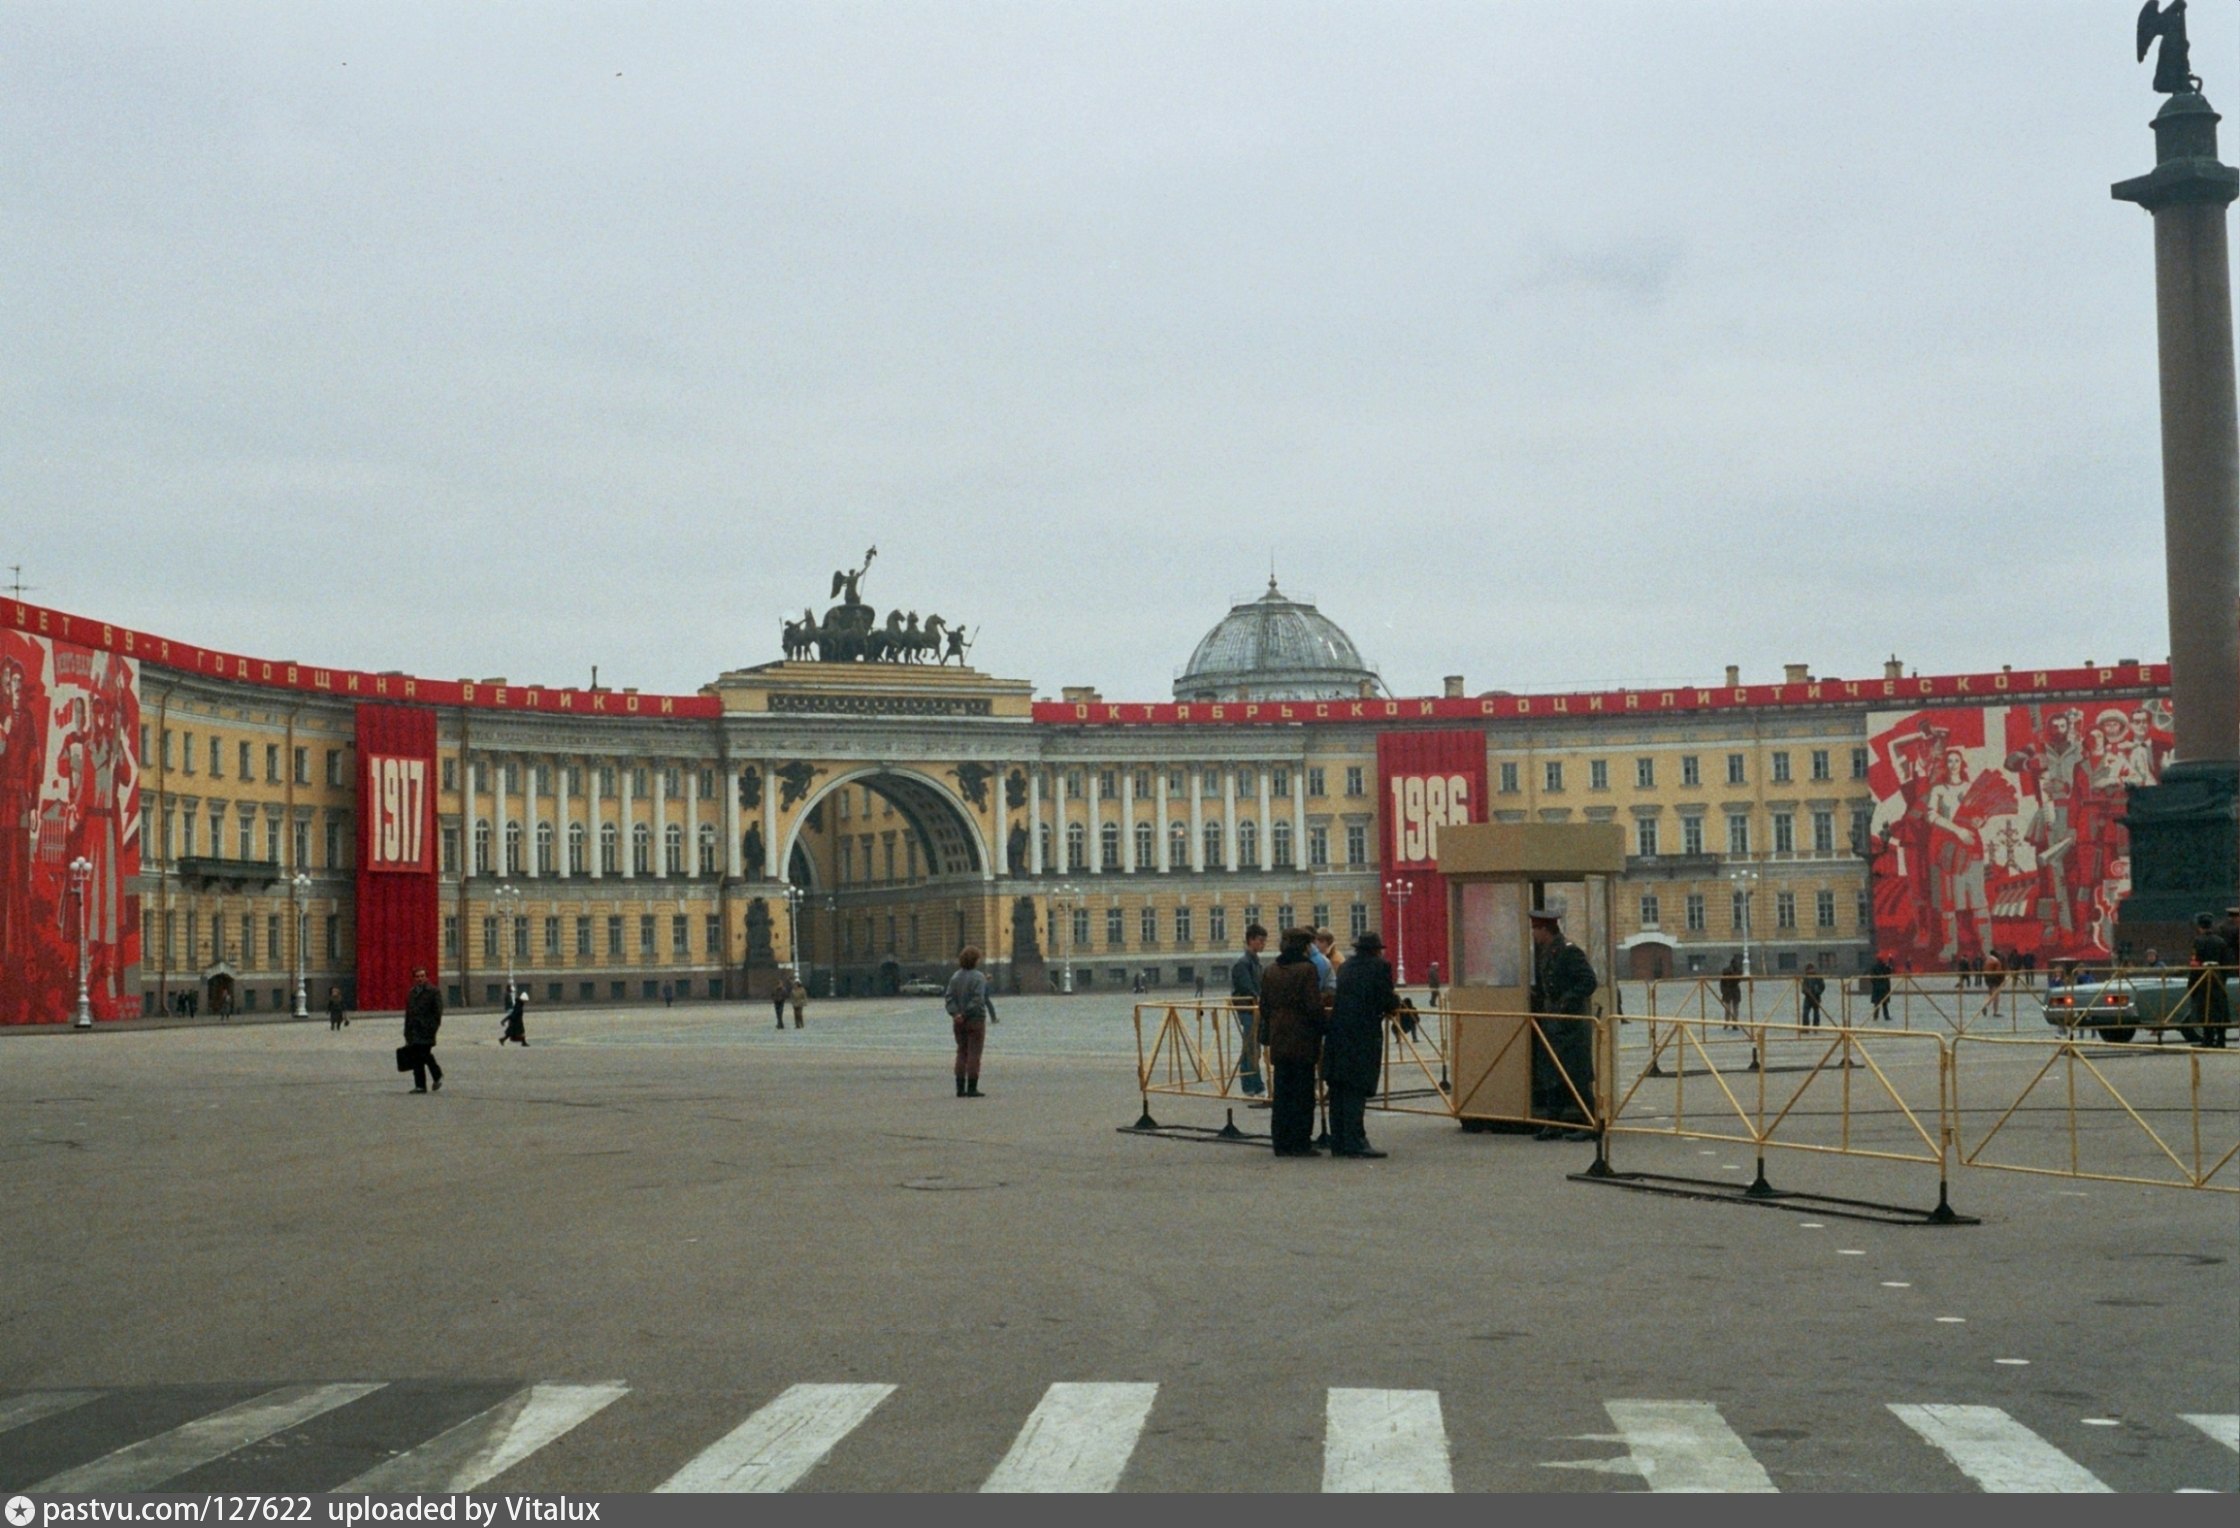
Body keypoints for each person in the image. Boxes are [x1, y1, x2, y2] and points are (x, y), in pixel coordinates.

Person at [1325, 932, 1399, 1158]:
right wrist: (1396, 1004)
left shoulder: (1346, 966)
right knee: (1356, 1089)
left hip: (1337, 1032)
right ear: (1376, 950)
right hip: (1362, 1035)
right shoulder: (1380, 967)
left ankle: (1338, 1141)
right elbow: (1385, 998)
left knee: (1338, 1088)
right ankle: (1356, 1141)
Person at [1528, 901, 1598, 1141]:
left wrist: (1567, 1001)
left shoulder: (1569, 951)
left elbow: (1589, 982)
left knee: (1576, 1077)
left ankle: (1592, 1125)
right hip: (1553, 1023)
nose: (1533, 935)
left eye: (1535, 930)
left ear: (1545, 930)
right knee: (1552, 1075)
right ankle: (1553, 1123)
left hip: (1571, 1025)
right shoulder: (1548, 952)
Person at [1256, 928, 1327, 1157]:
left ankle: (1281, 1142)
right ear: (1304, 947)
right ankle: (1300, 1143)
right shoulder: (1307, 970)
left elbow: (1264, 1006)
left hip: (1279, 1038)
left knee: (1283, 1093)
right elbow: (1313, 1006)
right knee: (1303, 1093)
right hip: (1303, 1039)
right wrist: (1324, 1026)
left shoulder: (1270, 970)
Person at [944, 946, 994, 1097]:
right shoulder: (978, 976)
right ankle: (972, 1088)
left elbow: (949, 998)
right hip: (975, 1020)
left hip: (958, 1021)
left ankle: (960, 1088)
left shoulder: (955, 976)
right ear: (975, 960)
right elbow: (978, 1000)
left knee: (961, 1052)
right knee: (974, 1054)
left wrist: (956, 1014)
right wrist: (965, 1014)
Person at [1229, 922, 1268, 1097]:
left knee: (1252, 1047)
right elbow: (1248, 988)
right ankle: (1254, 1085)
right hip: (1248, 1009)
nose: (1263, 944)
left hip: (1255, 1008)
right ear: (1251, 940)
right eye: (1260, 940)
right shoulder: (1243, 963)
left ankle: (1251, 1085)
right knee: (1251, 1047)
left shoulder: (1254, 962)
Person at [2185, 912, 2231, 1049]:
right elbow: (2226, 963)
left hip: (2203, 978)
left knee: (2205, 1009)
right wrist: (2222, 979)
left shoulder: (2198, 941)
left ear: (2199, 926)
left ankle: (2208, 1039)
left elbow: (2195, 963)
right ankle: (2221, 1039)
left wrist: (2191, 983)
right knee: (2220, 1009)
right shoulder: (2220, 941)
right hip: (2218, 978)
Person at [403, 966, 444, 1093]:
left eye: (422, 976)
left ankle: (437, 1075)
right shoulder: (412, 992)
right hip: (413, 1031)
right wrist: (406, 1032)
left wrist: (432, 1028)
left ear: (426, 977)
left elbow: (438, 1012)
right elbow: (408, 1014)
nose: (420, 979)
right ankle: (420, 1086)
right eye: (418, 976)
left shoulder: (433, 991)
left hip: (426, 1030)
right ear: (414, 978)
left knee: (424, 1054)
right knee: (416, 1058)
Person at [1975, 950, 2006, 1022]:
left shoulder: (1987, 960)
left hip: (1988, 979)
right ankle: (1995, 1012)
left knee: (1991, 994)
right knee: (1996, 996)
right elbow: (1999, 971)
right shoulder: (1996, 961)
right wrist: (2003, 979)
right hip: (1995, 979)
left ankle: (1985, 1005)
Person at [1310, 928, 1339, 1003]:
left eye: (1321, 941)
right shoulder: (1324, 957)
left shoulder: (1335, 960)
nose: (1317, 944)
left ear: (1329, 944)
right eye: (1317, 941)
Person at [1717, 956, 1744, 1030]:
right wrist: (1723, 991)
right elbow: (1722, 981)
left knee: (1735, 1008)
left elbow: (1738, 979)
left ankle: (1734, 1024)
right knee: (1728, 1008)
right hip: (1728, 989)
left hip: (1734, 989)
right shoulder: (1726, 970)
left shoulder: (1739, 971)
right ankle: (1727, 1023)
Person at [1868, 954, 1894, 1023]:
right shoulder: (1885, 967)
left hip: (1877, 989)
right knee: (1885, 1004)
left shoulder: (1874, 967)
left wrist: (1876, 983)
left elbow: (1872, 978)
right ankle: (1886, 1016)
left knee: (1877, 1004)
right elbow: (1890, 971)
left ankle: (1876, 1017)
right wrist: (1890, 961)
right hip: (1884, 988)